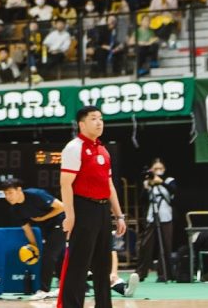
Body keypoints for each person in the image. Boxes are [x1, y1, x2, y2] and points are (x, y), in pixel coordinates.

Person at [57, 106, 126, 308]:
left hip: (103, 211)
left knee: (103, 265)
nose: (99, 122)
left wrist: (119, 215)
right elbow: (65, 184)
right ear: (82, 124)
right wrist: (70, 216)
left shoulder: (103, 150)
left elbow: (109, 185)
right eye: (94, 118)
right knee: (79, 264)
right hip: (83, 209)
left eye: (101, 119)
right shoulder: (74, 148)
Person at [2, 178, 65, 300]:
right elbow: (28, 230)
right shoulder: (15, 210)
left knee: (49, 254)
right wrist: (34, 247)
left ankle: (44, 290)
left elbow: (61, 207)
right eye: (5, 194)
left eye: (10, 193)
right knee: (58, 255)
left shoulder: (36, 194)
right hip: (46, 227)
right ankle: (67, 287)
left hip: (61, 221)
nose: (8, 197)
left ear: (19, 190)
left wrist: (43, 218)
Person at [137, 158, 174, 282]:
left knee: (166, 245)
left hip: (166, 216)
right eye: (155, 169)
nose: (158, 171)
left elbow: (174, 192)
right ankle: (141, 273)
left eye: (160, 168)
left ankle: (164, 274)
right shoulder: (148, 182)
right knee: (146, 245)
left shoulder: (169, 180)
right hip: (152, 216)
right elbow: (141, 200)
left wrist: (161, 182)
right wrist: (146, 187)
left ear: (164, 169)